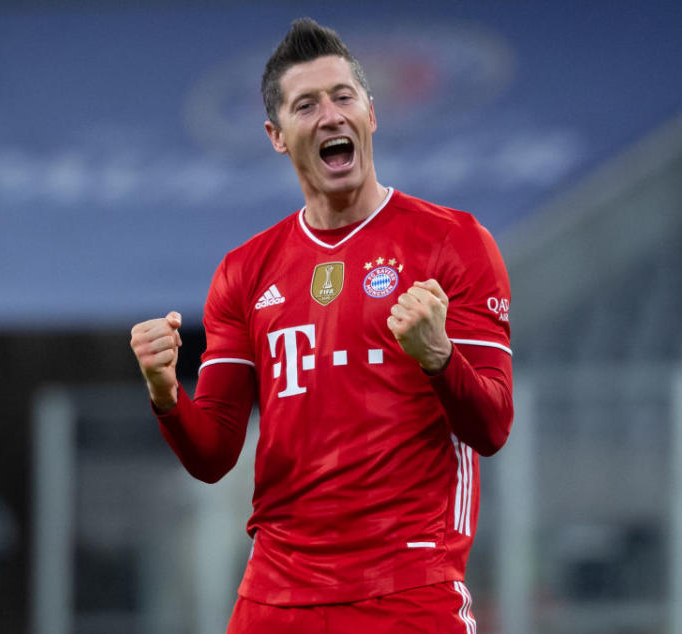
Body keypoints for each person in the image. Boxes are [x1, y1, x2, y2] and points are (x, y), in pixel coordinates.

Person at [130, 17, 513, 633]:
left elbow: (492, 426)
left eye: (344, 96)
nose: (331, 115)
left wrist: (438, 355)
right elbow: (214, 452)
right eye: (306, 105)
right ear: (277, 135)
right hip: (276, 595)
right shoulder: (245, 271)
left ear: (371, 113)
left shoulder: (454, 242)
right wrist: (166, 392)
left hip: (408, 587)